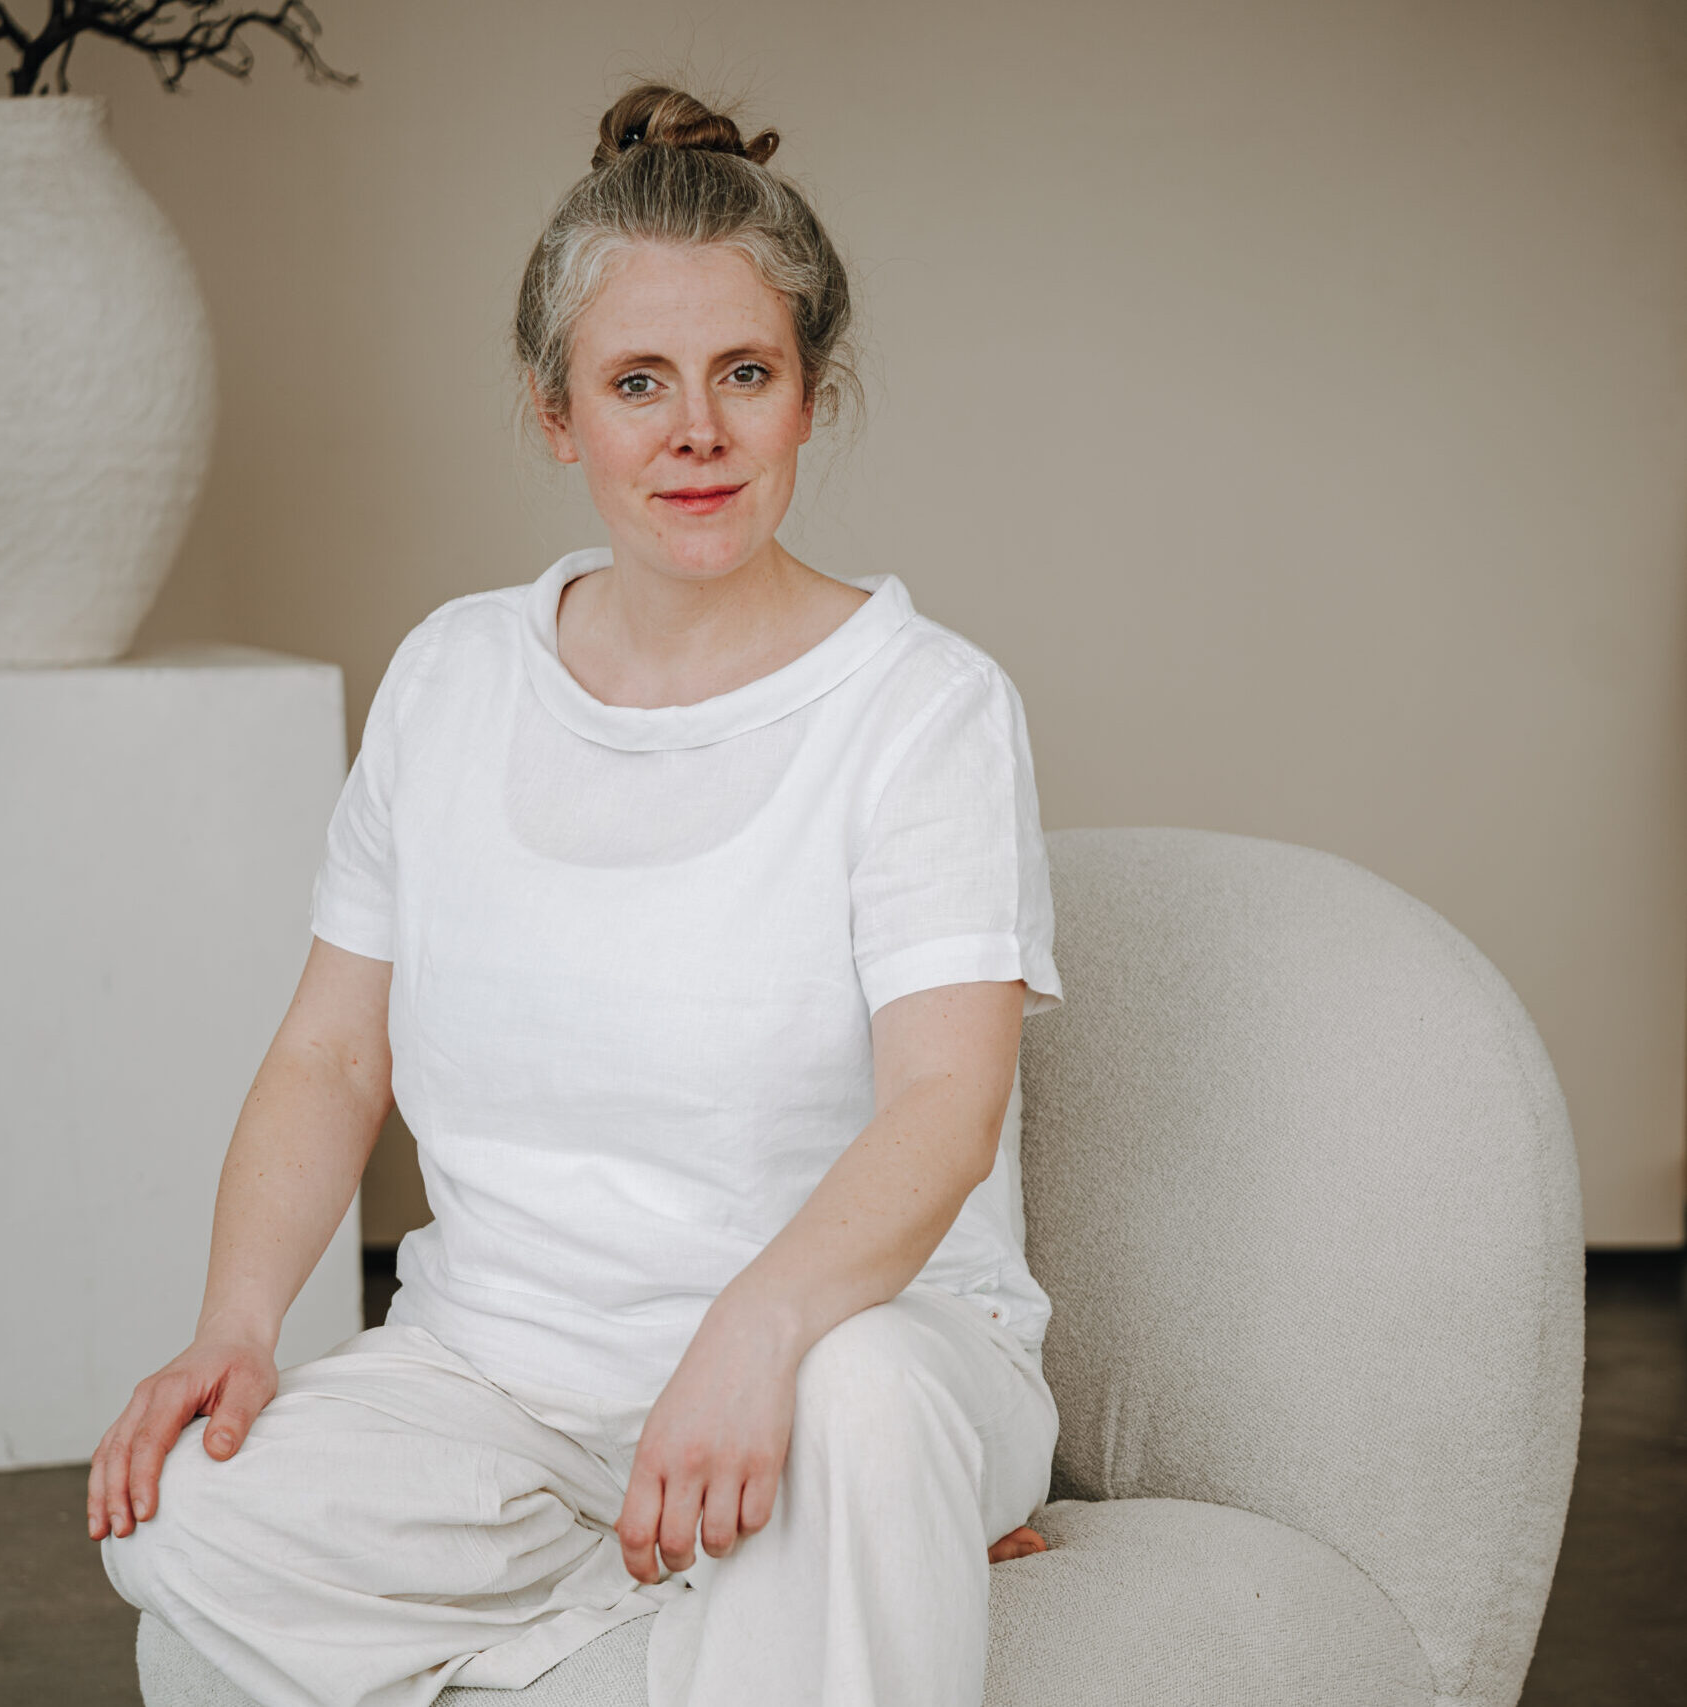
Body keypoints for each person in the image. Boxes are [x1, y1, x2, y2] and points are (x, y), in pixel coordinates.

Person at [90, 82, 1065, 1707]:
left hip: (846, 1353)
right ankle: (711, 1599)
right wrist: (237, 1326)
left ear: (810, 397)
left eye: (745, 374)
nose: (697, 433)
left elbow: (944, 1110)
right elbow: (333, 1053)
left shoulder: (926, 707)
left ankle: (838, 1526)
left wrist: (753, 1338)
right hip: (498, 1389)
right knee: (182, 1517)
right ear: (558, 414)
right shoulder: (452, 677)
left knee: (868, 1412)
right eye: (637, 383)